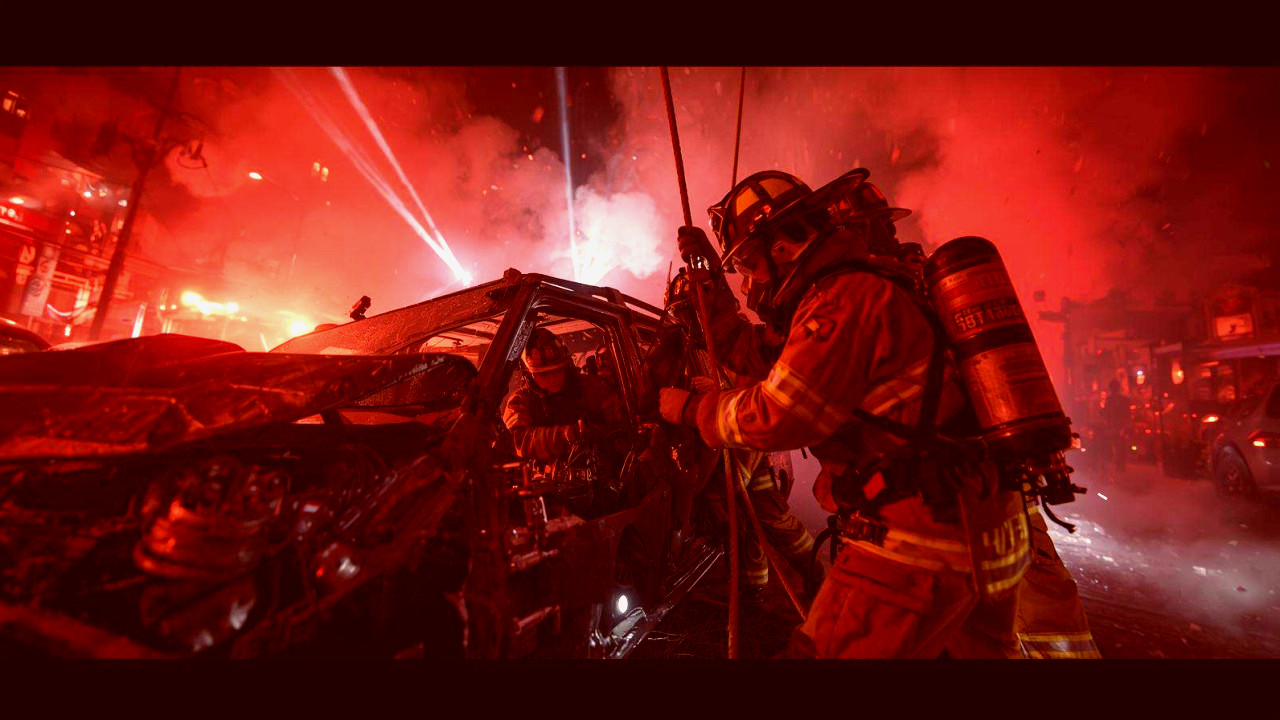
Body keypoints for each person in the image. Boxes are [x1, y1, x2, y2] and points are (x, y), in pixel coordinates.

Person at [658, 167, 1032, 658]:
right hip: (982, 526)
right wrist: (711, 288)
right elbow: (758, 353)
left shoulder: (841, 300)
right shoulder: (864, 286)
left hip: (917, 537)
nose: (749, 284)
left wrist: (693, 408)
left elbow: (778, 414)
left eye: (749, 264)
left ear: (782, 247)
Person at [663, 269, 818, 604]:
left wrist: (716, 390)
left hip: (743, 435)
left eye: (687, 311)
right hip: (737, 436)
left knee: (735, 502)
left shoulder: (734, 339)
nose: (686, 320)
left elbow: (755, 386)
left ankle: (807, 575)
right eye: (681, 313)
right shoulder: (698, 343)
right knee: (760, 512)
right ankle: (759, 584)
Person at [502, 327, 624, 464]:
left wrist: (600, 432)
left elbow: (620, 425)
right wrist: (565, 435)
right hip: (548, 476)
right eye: (543, 374)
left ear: (566, 366)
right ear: (529, 375)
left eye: (557, 371)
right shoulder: (520, 401)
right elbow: (517, 441)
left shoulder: (591, 387)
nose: (552, 379)